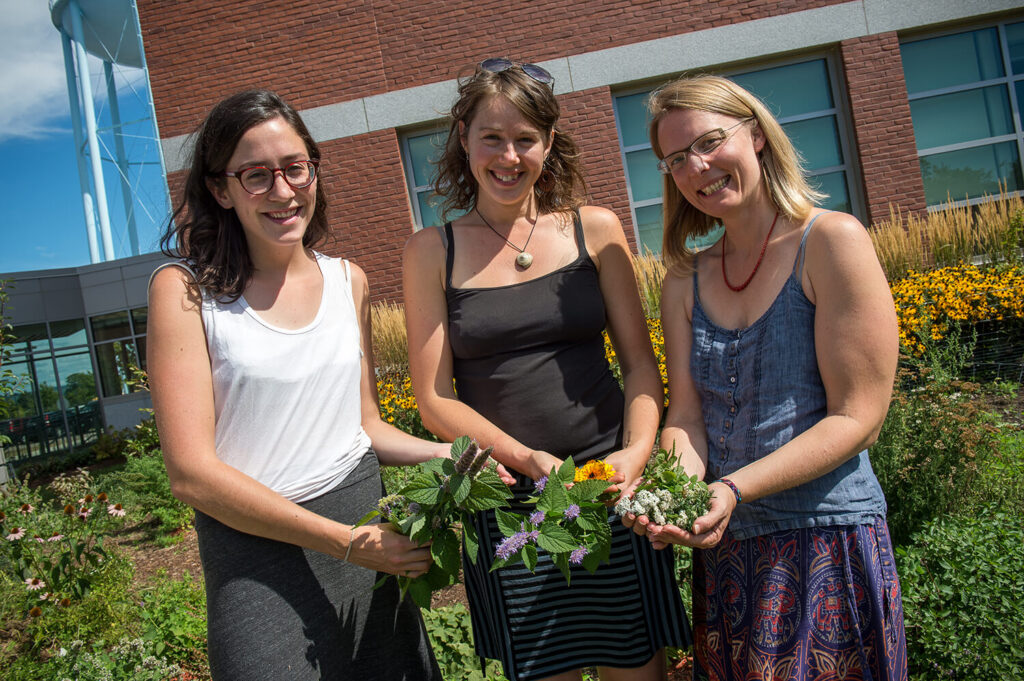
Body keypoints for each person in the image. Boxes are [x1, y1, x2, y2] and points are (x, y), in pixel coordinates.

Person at [403, 58, 691, 681]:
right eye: (492, 137)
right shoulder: (432, 250)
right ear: (464, 139)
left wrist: (635, 455)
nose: (509, 156)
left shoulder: (597, 229)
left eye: (526, 139)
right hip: (508, 504)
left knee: (638, 670)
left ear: (549, 143)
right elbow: (433, 398)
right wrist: (529, 461)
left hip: (609, 486)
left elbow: (641, 367)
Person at [147, 89, 443, 681]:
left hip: (366, 524)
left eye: (294, 168)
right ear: (219, 189)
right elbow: (190, 473)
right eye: (255, 175)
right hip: (255, 556)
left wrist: (453, 454)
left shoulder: (348, 280)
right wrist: (344, 542)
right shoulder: (184, 293)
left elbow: (365, 425)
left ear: (314, 169)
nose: (283, 192)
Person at [624, 74, 907, 680]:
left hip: (824, 540)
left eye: (708, 142)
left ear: (754, 136)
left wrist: (731, 489)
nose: (696, 167)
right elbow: (688, 417)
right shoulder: (683, 279)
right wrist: (671, 496)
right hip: (726, 553)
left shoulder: (831, 241)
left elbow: (858, 417)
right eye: (675, 160)